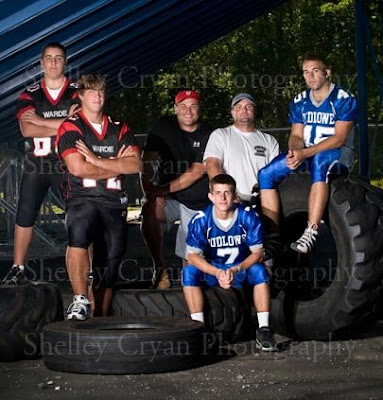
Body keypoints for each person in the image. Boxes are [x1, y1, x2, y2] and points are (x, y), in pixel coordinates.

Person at [56, 74, 141, 320]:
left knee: (112, 259)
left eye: (101, 91)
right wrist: (116, 163)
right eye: (91, 92)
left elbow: (135, 164)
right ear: (81, 95)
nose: (98, 96)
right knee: (79, 231)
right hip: (84, 196)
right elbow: (77, 168)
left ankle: (100, 314)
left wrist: (95, 160)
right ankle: (80, 299)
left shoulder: (119, 126)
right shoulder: (71, 126)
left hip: (114, 201)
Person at [258, 55, 357, 254]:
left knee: (320, 162)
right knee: (266, 174)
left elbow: (339, 138)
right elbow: (296, 135)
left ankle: (311, 230)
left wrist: (305, 153)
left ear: (327, 72)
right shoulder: (300, 100)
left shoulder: (343, 99)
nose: (309, 76)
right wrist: (295, 151)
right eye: (305, 72)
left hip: (336, 155)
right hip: (307, 152)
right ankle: (274, 236)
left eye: (315, 71)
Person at [2, 42, 79, 285]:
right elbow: (26, 129)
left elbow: (78, 125)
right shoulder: (30, 93)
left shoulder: (77, 90)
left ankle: (85, 268)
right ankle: (18, 267)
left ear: (65, 62)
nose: (54, 62)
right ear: (42, 62)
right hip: (38, 163)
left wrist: (41, 121)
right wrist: (63, 122)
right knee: (24, 214)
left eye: (58, 58)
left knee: (80, 215)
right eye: (49, 58)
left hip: (68, 162)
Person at [182, 173, 277, 352]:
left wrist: (236, 269)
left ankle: (264, 329)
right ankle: (200, 329)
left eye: (227, 193)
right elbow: (193, 256)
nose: (223, 198)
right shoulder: (201, 219)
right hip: (215, 270)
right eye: (218, 193)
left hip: (240, 268)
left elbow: (257, 253)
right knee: (188, 272)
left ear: (235, 196)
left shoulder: (248, 216)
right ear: (210, 196)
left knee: (259, 270)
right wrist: (217, 273)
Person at [140, 90, 213, 289]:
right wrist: (149, 190)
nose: (188, 111)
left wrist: (161, 189)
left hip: (198, 203)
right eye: (183, 106)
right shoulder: (163, 126)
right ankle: (160, 269)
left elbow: (196, 172)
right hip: (170, 199)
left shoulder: (209, 132)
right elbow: (146, 161)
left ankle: (190, 295)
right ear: (175, 108)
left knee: (191, 257)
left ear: (199, 109)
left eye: (193, 106)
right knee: (149, 211)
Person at [203, 93, 279, 205]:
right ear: (232, 112)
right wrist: (228, 195)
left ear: (255, 111)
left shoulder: (269, 140)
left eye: (249, 106)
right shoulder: (221, 135)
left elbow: (275, 173)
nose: (244, 110)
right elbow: (212, 165)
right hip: (232, 202)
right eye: (239, 107)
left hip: (264, 201)